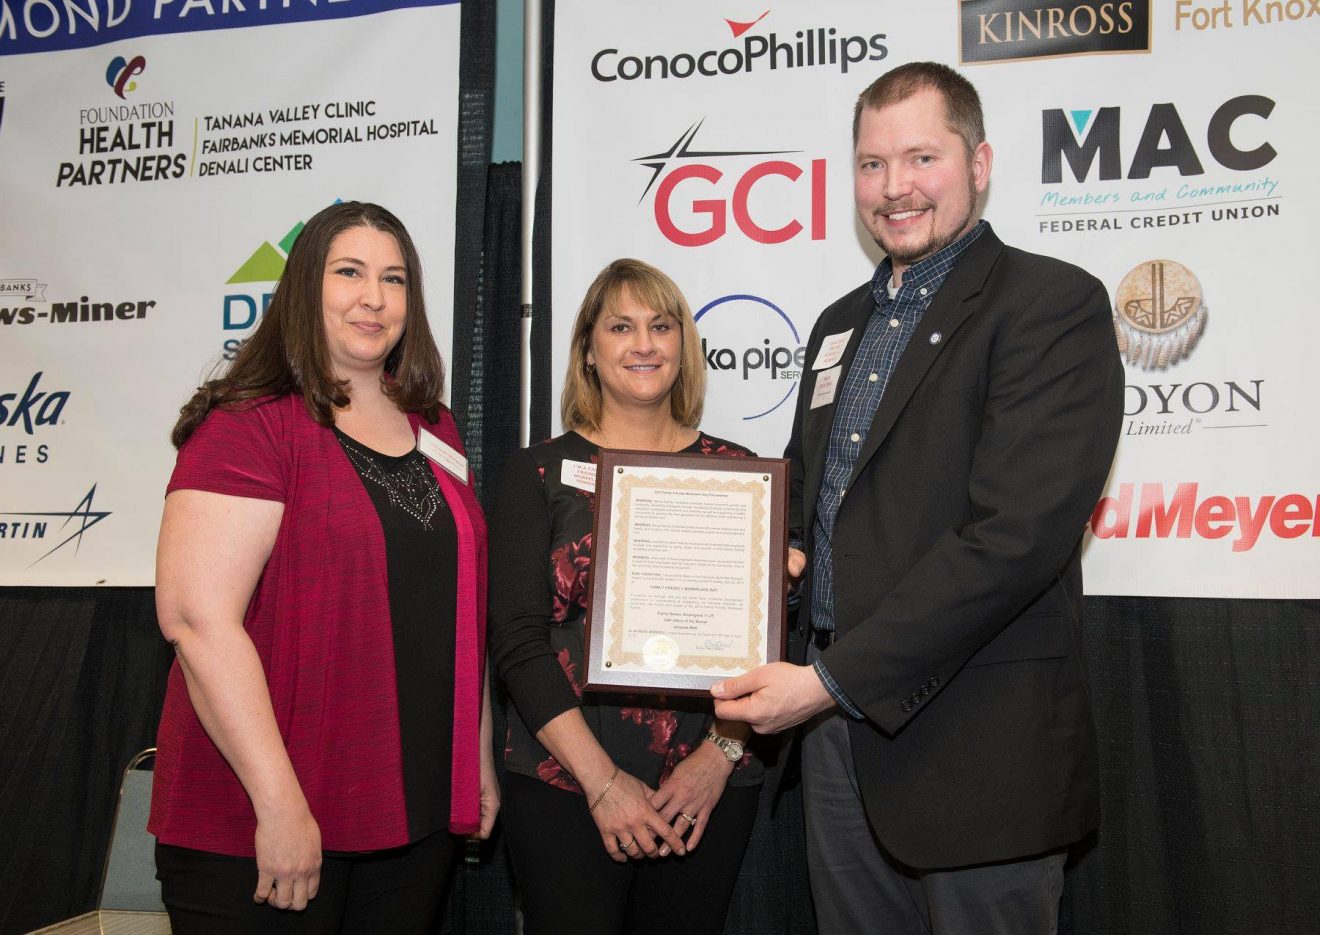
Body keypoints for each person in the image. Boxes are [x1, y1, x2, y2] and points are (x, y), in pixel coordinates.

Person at [711, 62, 1124, 934]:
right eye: (871, 164)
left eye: (920, 158)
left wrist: (826, 681)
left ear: (979, 163)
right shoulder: (836, 325)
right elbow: (811, 490)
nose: (894, 188)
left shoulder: (1050, 306)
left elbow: (1012, 539)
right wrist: (773, 549)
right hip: (835, 747)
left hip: (978, 744)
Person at [149, 201, 498, 933]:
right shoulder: (250, 422)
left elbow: (459, 607)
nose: (374, 296)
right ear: (306, 287)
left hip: (414, 811)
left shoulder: (434, 426)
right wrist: (278, 803)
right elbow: (197, 621)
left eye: (394, 278)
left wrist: (476, 757)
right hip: (261, 816)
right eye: (350, 272)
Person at [489, 258, 762, 934]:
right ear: (588, 348)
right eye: (621, 326)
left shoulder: (742, 474)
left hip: (705, 786)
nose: (643, 343)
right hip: (563, 784)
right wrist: (603, 783)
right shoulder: (538, 472)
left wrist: (718, 757)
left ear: (682, 345)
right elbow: (518, 644)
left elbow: (766, 651)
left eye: (660, 325)